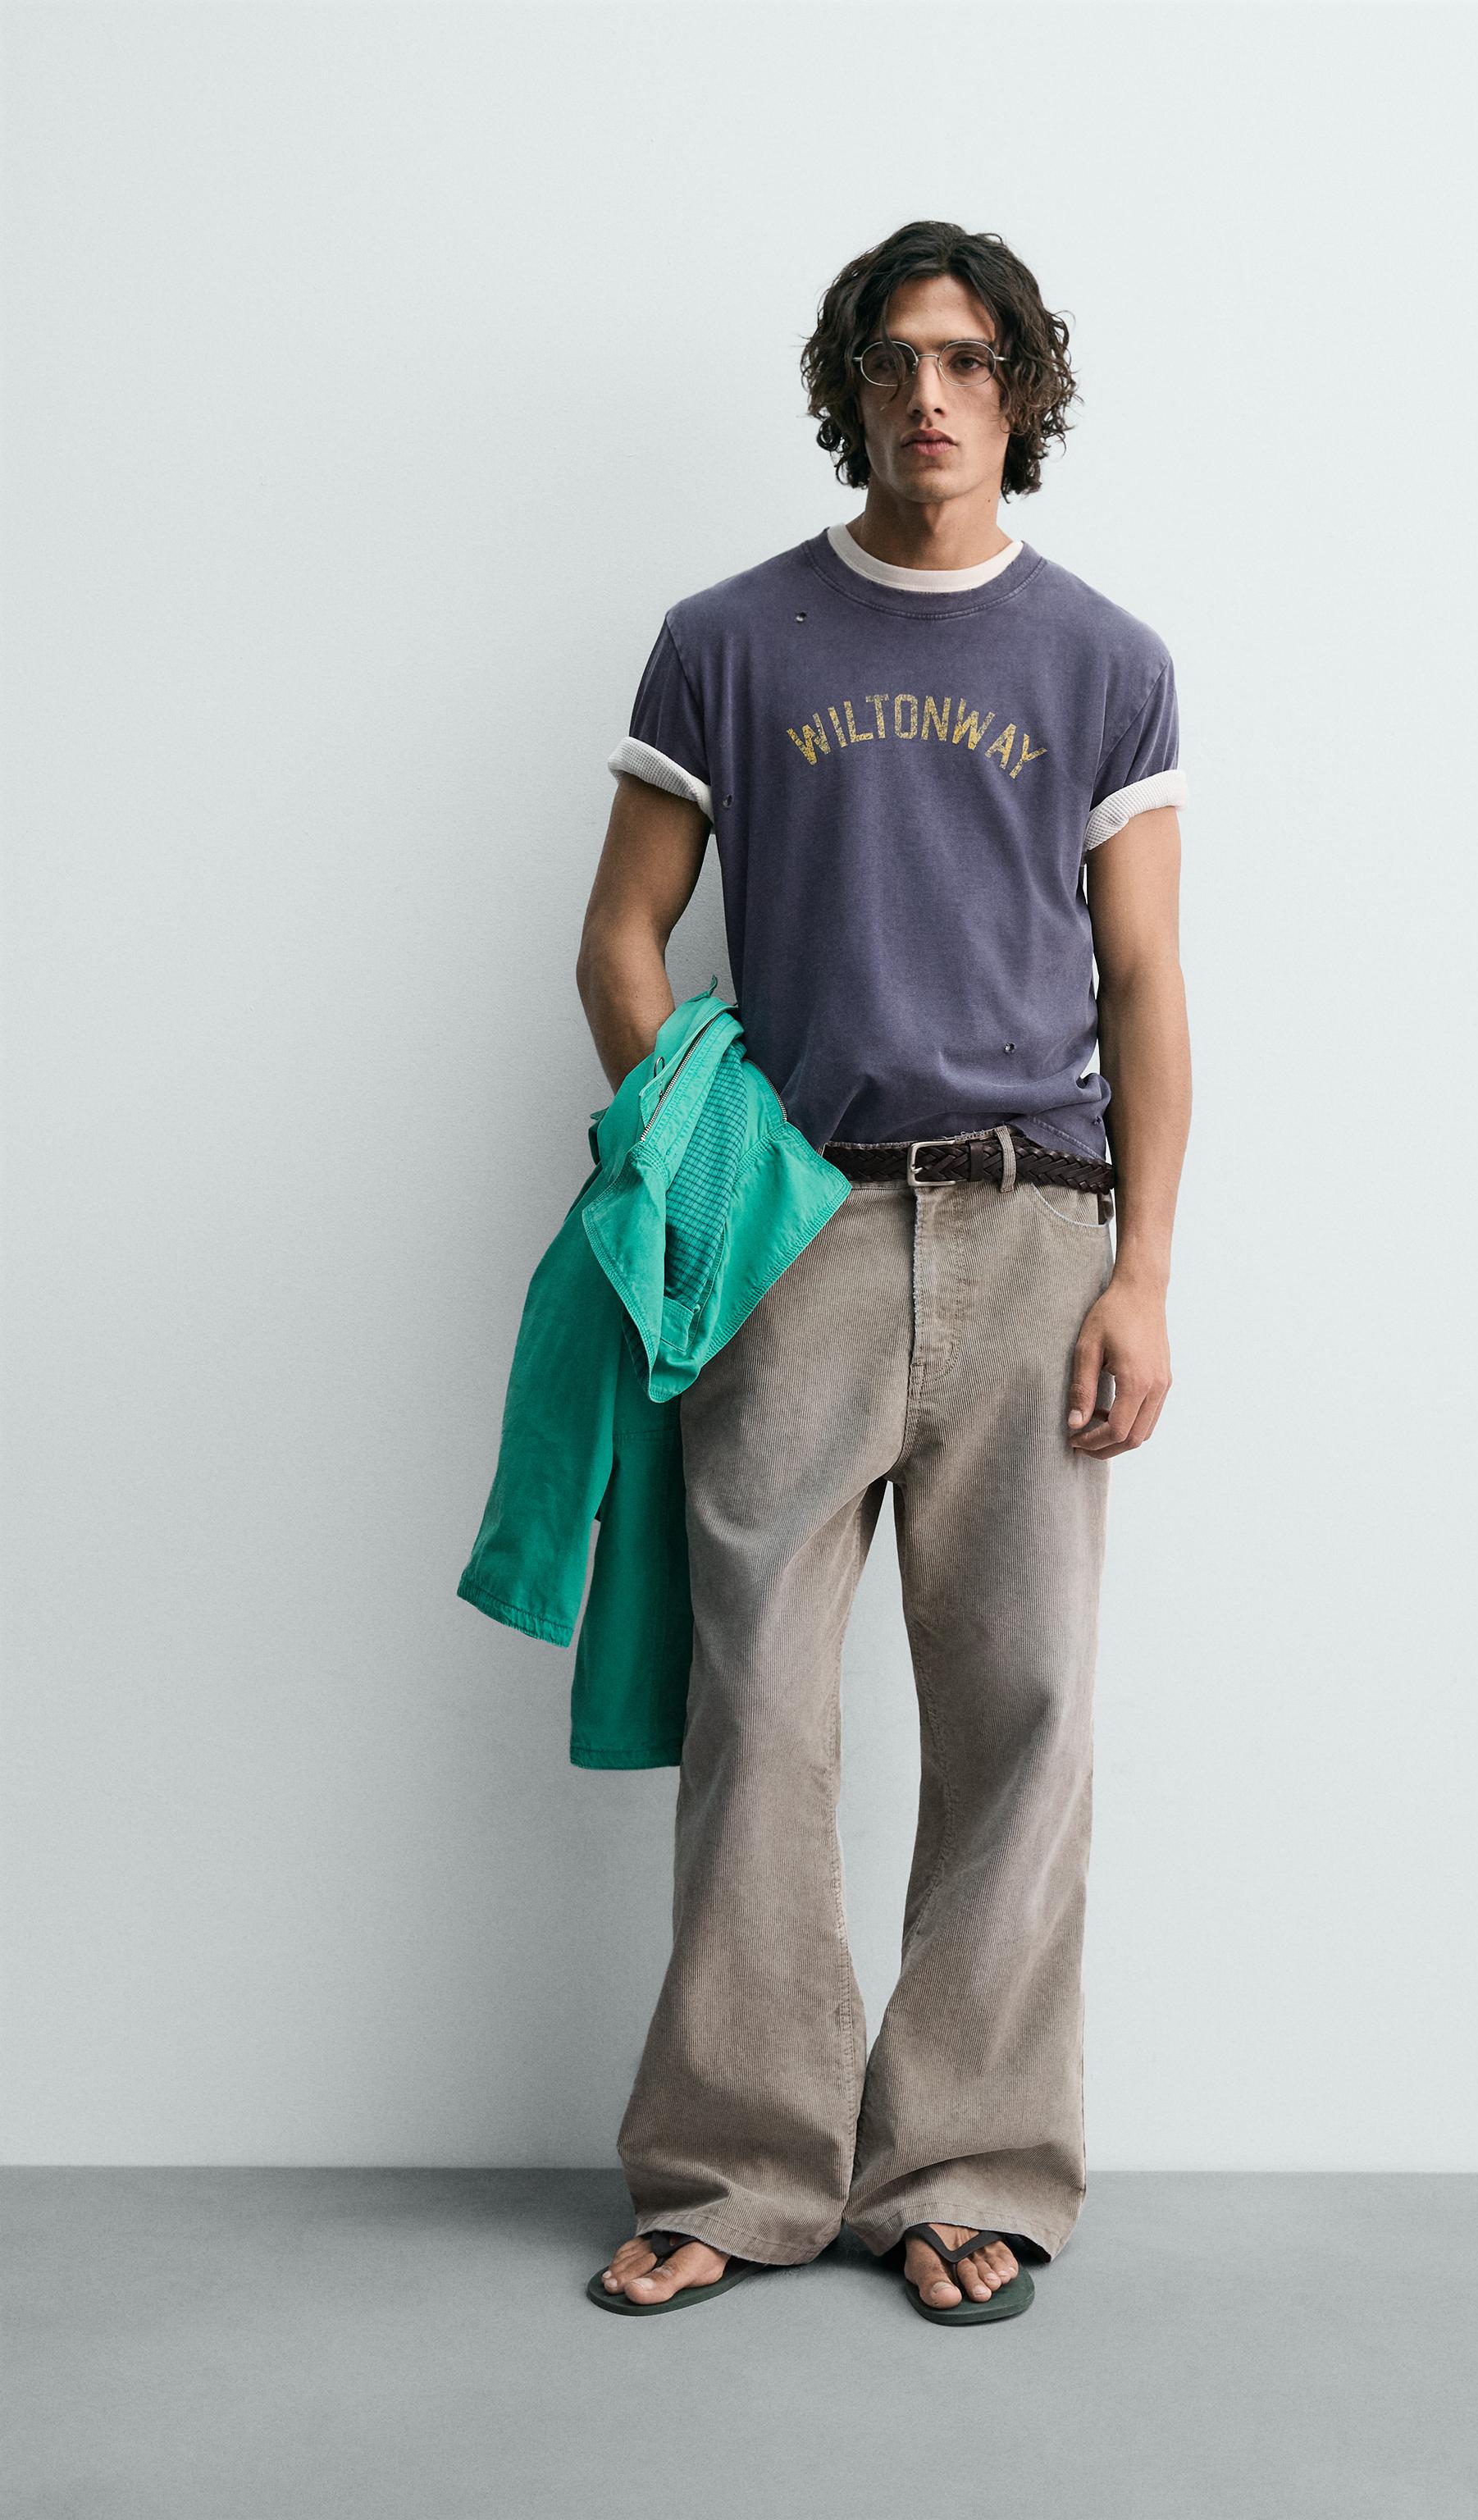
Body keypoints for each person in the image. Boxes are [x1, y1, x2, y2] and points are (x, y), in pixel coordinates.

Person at [577, 218, 1192, 2319]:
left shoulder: (1104, 660)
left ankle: (965, 2168)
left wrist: (1145, 1272)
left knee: (1024, 1712)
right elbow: (621, 939)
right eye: (894, 359)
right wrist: (703, 1168)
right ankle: (734, 2171)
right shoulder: (726, 641)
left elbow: (1143, 977)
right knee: (759, 1706)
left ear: (1023, 388)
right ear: (848, 388)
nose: (931, 394)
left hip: (1037, 1228)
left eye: (970, 358)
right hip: (798, 1231)